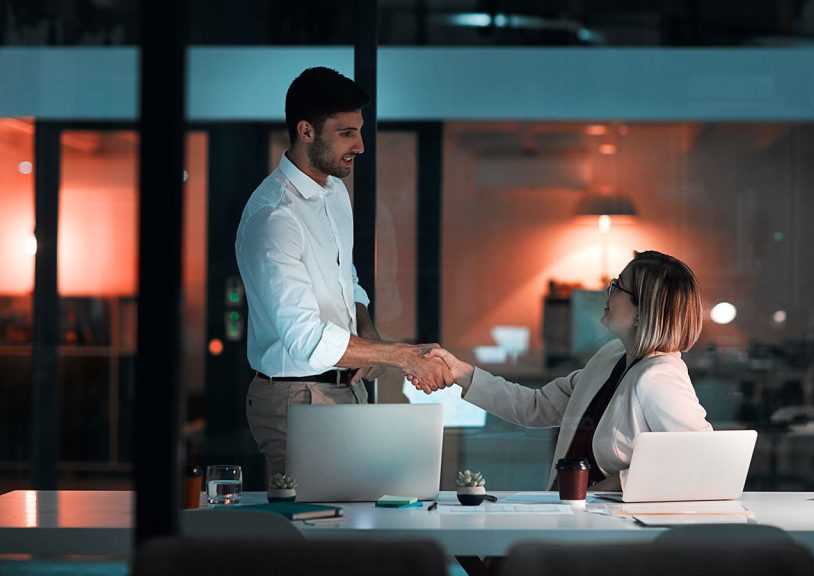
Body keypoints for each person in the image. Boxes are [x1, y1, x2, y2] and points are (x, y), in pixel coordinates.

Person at [236, 66, 452, 476]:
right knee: (313, 531)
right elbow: (303, 339)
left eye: (360, 130)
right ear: (306, 131)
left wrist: (366, 332)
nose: (361, 146)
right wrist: (404, 356)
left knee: (355, 517)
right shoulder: (273, 216)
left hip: (345, 387)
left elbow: (346, 280)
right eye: (346, 133)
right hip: (295, 397)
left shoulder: (334, 192)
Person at [427, 250, 712, 490]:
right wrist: (460, 374)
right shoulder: (611, 357)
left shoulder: (659, 377)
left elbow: (701, 458)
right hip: (569, 515)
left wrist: (612, 485)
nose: (607, 292)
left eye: (618, 286)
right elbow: (535, 406)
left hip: (608, 535)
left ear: (643, 311)